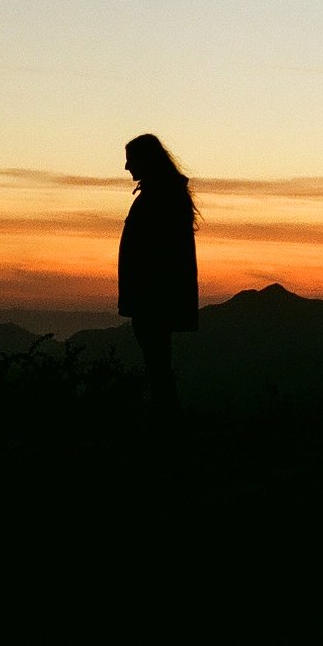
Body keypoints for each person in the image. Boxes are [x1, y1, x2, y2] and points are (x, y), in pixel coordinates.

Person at [118, 133, 199, 436]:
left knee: (157, 362)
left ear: (147, 160)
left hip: (153, 297)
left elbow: (158, 252)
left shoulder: (160, 197)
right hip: (154, 295)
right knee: (158, 361)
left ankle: (167, 426)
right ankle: (167, 423)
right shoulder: (163, 194)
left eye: (131, 159)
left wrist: (144, 293)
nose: (127, 166)